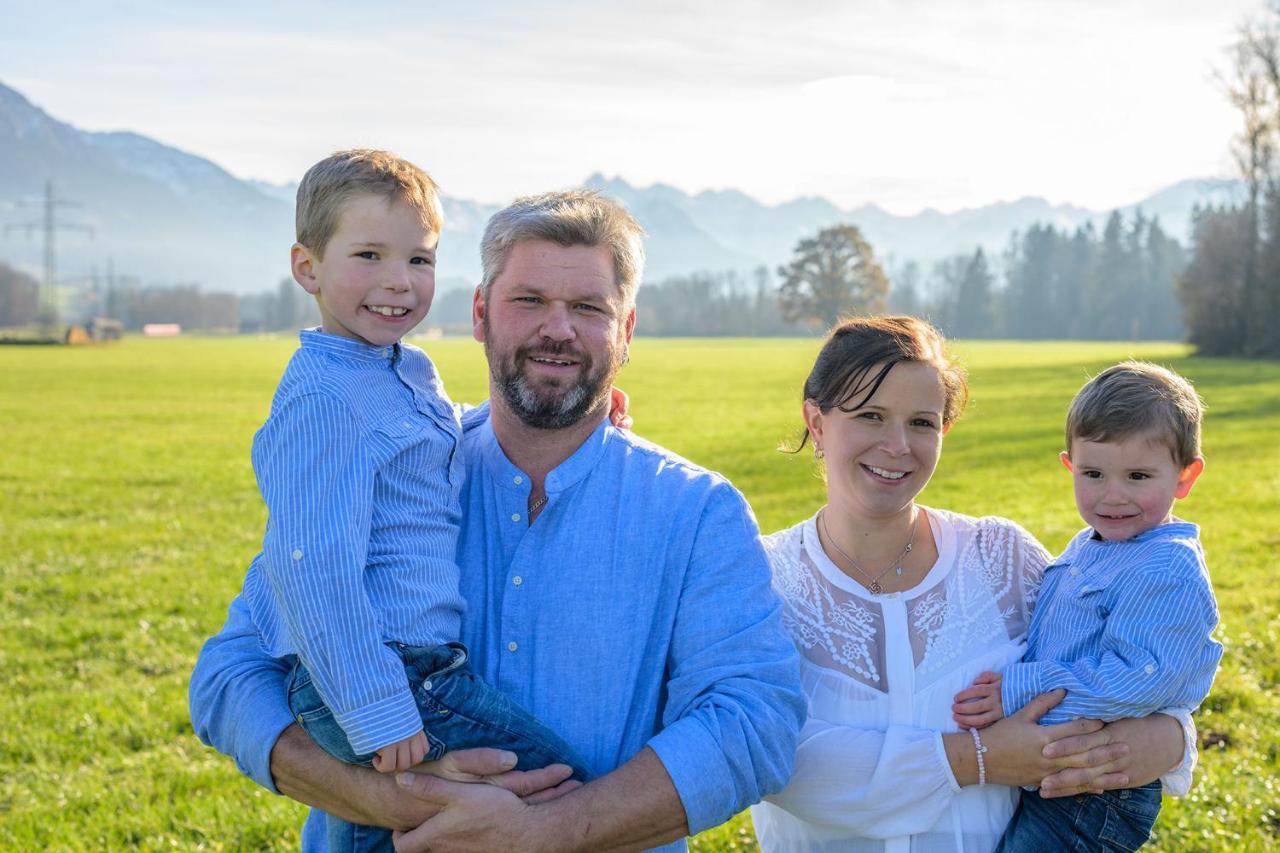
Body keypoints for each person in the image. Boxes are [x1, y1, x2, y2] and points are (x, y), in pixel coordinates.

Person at [190, 189, 807, 852]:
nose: (558, 328)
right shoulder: (401, 468)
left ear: (626, 331)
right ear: (482, 314)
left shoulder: (697, 512)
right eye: (530, 300)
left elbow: (754, 722)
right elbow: (228, 676)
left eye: (588, 308)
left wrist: (550, 828)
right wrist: (392, 798)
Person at [236, 149, 585, 851]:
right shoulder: (324, 398)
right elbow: (311, 565)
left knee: (419, 822)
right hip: (388, 671)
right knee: (559, 786)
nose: (399, 283)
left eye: (419, 260)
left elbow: (435, 439)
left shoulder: (403, 367)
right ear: (308, 267)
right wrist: (376, 706)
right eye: (369, 255)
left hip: (418, 665)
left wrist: (584, 414)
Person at [750, 317, 1198, 853]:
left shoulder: (1001, 556)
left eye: (922, 422)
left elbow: (1131, 663)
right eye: (871, 416)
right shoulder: (761, 578)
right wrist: (978, 757)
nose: (898, 446)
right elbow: (767, 760)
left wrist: (1173, 740)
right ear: (816, 423)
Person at [952, 361, 1221, 852]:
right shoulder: (1094, 543)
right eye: (1093, 473)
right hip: (1063, 776)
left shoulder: (1165, 568)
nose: (1112, 496)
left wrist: (1019, 689)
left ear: (1185, 477)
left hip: (1098, 792)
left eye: (1138, 476)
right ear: (1069, 465)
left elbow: (1135, 680)